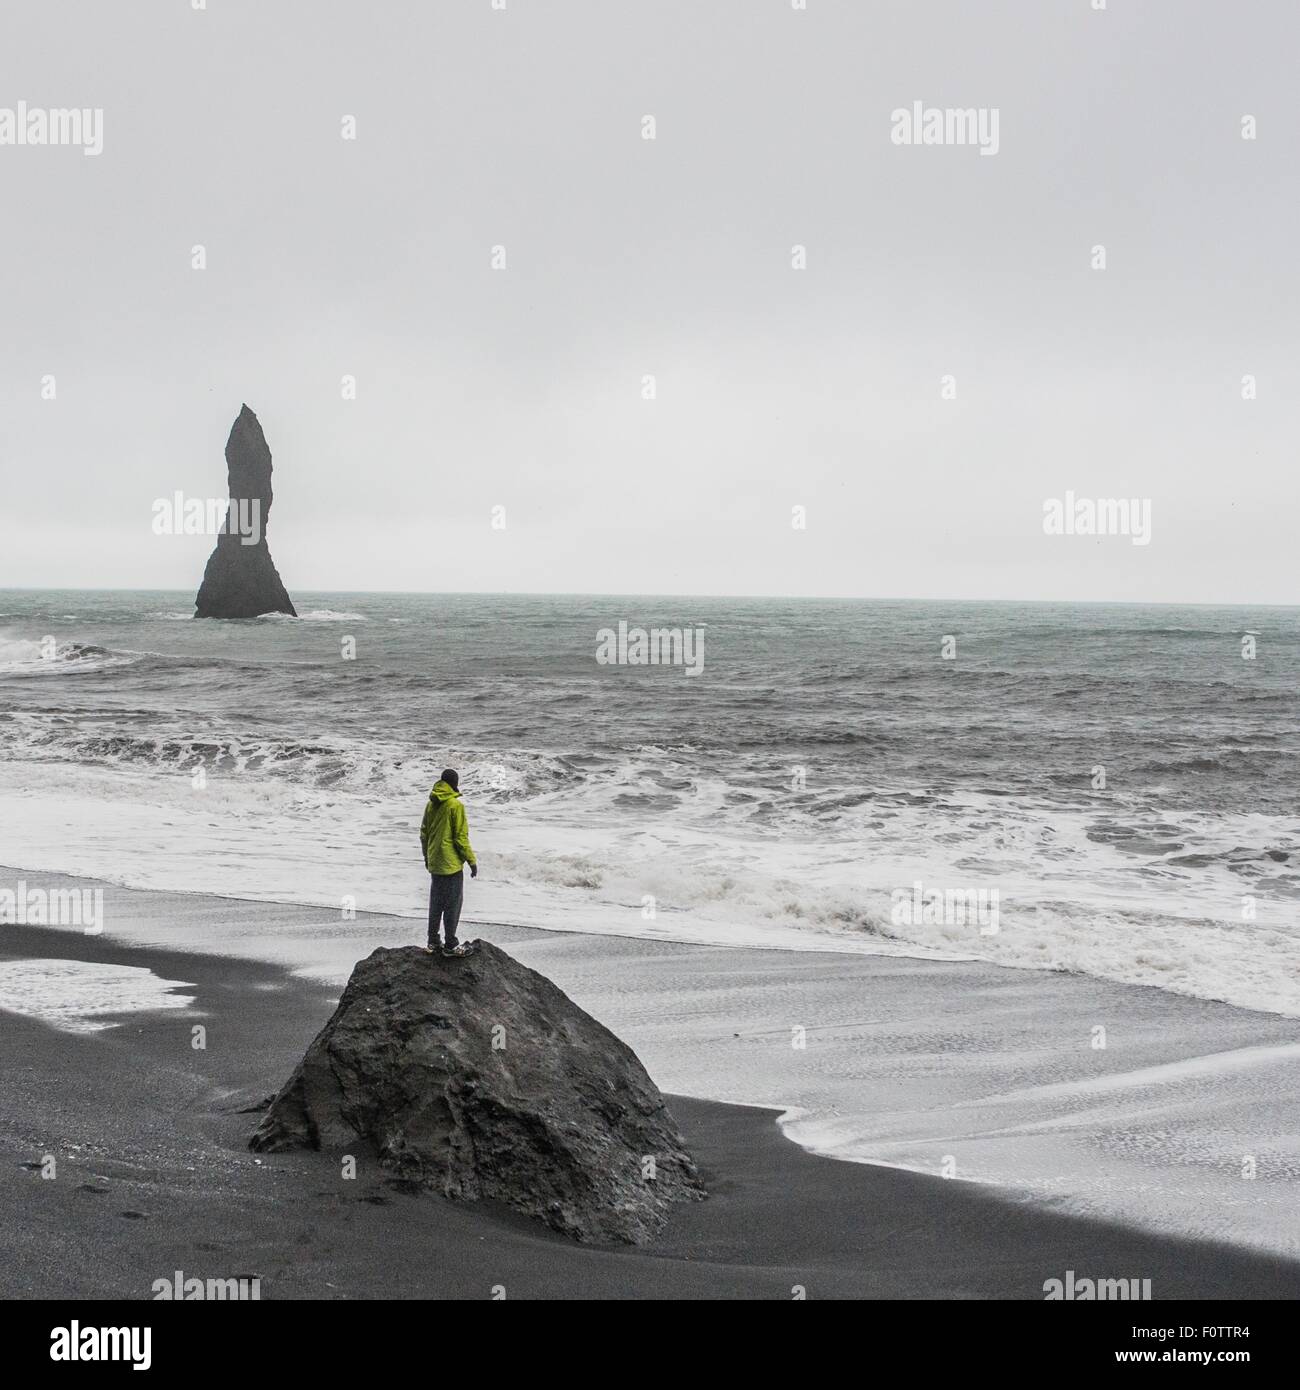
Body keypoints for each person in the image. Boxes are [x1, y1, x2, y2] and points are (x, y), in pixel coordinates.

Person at [419, 768, 479, 957]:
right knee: (452, 903)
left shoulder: (431, 803)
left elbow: (423, 834)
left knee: (436, 902)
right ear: (454, 783)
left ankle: (432, 941)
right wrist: (471, 860)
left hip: (435, 862)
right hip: (451, 864)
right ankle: (451, 944)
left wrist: (427, 857)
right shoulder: (455, 805)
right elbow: (460, 838)